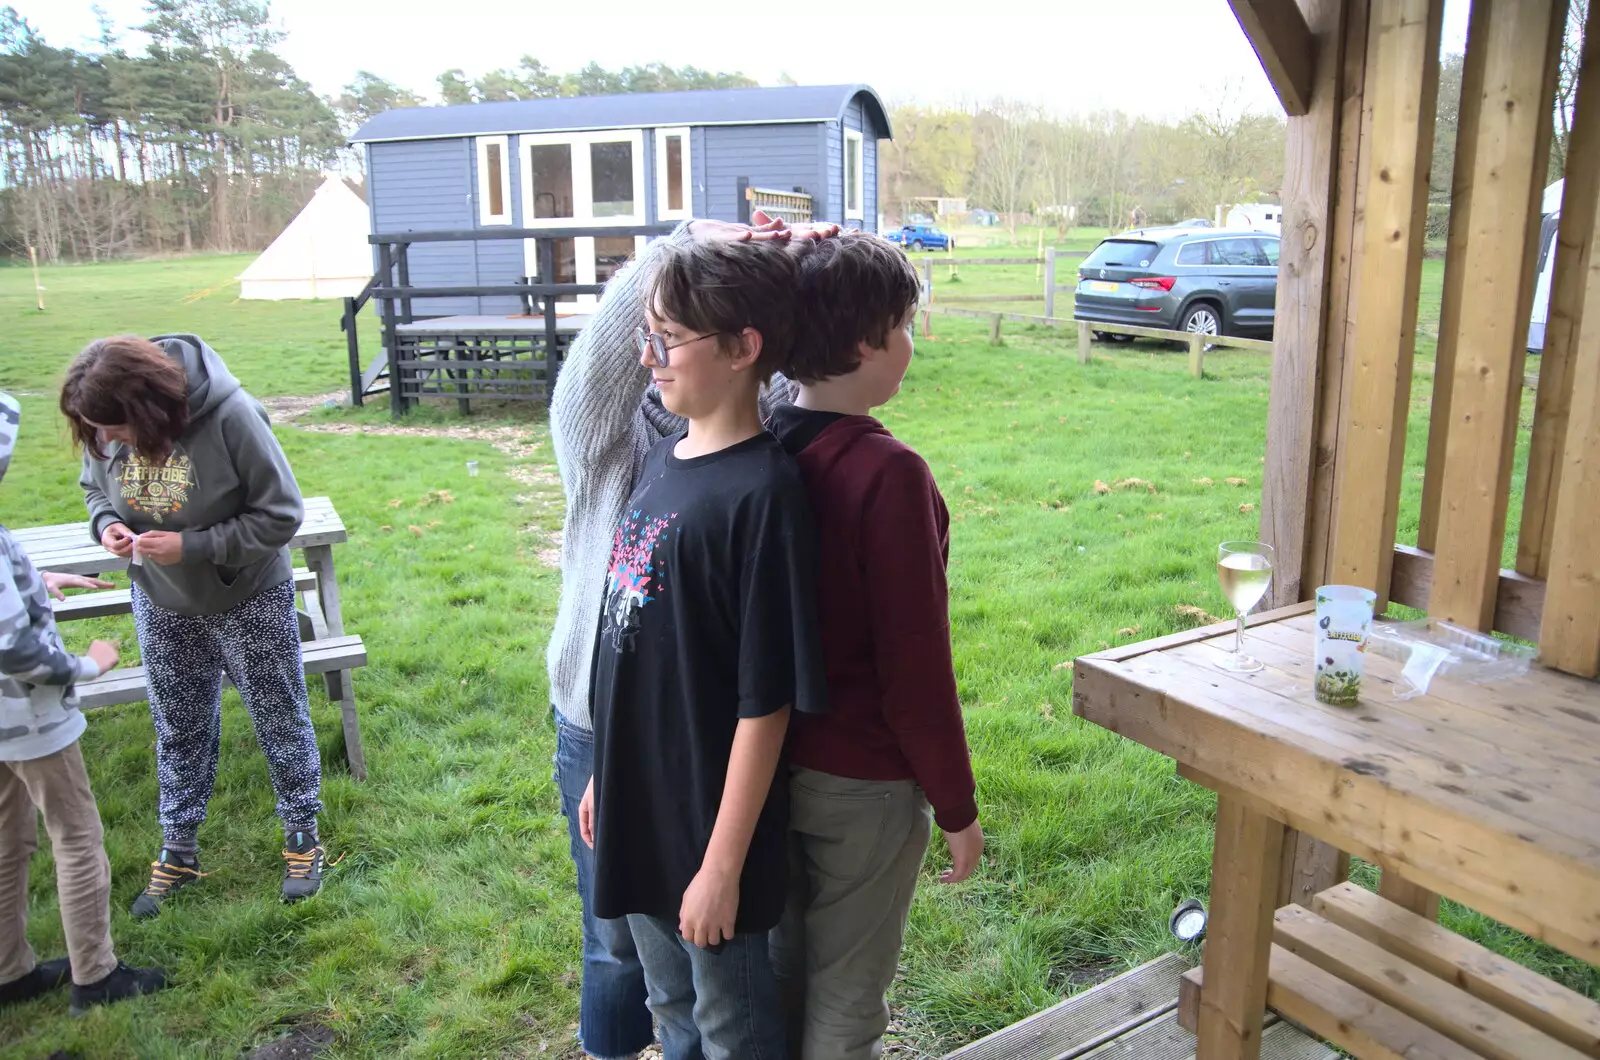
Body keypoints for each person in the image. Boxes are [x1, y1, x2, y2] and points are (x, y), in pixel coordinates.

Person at [546, 214, 833, 1060]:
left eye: (669, 339)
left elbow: (765, 703)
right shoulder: (665, 458)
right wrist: (607, 773)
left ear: (743, 348)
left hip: (711, 830)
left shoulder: (764, 496)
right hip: (635, 804)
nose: (647, 359)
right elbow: (633, 650)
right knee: (670, 1010)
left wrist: (721, 868)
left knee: (729, 1027)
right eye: (648, 335)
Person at [767, 232, 984, 1060]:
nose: (911, 343)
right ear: (867, 343)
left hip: (766, 769)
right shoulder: (889, 475)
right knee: (848, 1000)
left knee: (784, 978)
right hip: (863, 787)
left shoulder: (757, 448)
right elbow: (915, 665)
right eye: (905, 324)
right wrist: (957, 809)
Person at [60, 335, 323, 917]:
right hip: (160, 599)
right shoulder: (104, 432)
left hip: (247, 594)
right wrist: (106, 525)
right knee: (177, 724)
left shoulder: (232, 416)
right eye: (96, 431)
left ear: (150, 410)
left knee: (278, 712)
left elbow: (281, 513)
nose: (106, 442)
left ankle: (302, 832)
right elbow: (92, 487)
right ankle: (179, 848)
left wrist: (194, 545)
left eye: (115, 429)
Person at [0, 392, 171, 1014]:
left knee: (6, 839)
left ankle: (9, 971)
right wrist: (88, 666)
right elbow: (15, 649)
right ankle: (95, 976)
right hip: (29, 717)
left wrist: (39, 581)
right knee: (76, 838)